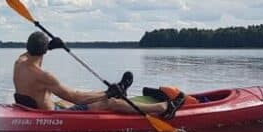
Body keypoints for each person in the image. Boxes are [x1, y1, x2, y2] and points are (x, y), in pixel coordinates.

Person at [13, 31, 185, 118]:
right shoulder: (44, 76)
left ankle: (120, 90)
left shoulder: (19, 62)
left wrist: (48, 46)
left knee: (63, 98)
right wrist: (108, 93)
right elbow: (76, 98)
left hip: (34, 108)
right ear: (44, 51)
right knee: (108, 102)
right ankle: (163, 108)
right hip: (54, 116)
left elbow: (32, 52)